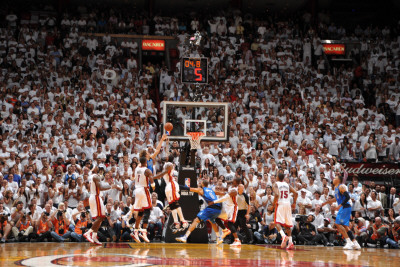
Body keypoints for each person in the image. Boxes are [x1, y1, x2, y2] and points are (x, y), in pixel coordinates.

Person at [129, 156, 171, 243]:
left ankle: (135, 231)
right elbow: (152, 182)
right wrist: (153, 186)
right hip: (144, 190)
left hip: (136, 190)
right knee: (148, 210)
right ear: (146, 162)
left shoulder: (136, 168)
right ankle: (144, 231)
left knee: (141, 211)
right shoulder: (147, 170)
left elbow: (132, 177)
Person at [322, 174, 361, 250]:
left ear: (339, 180)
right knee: (345, 226)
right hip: (344, 207)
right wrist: (326, 203)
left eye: (335, 178)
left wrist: (340, 205)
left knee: (337, 223)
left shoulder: (341, 186)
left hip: (345, 206)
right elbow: (336, 199)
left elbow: (347, 196)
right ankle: (355, 243)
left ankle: (348, 242)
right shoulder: (336, 189)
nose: (333, 179)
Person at [176, 179, 222, 243]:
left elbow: (187, 188)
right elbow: (219, 193)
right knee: (212, 221)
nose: (200, 183)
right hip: (218, 209)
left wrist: (176, 185)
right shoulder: (211, 190)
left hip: (212, 208)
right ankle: (219, 237)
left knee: (196, 220)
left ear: (202, 184)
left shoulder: (201, 189)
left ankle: (185, 236)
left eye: (201, 182)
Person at [153, 155, 188, 232]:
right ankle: (176, 223)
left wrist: (153, 177)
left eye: (167, 156)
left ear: (168, 158)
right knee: (172, 205)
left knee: (175, 203)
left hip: (171, 184)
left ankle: (183, 221)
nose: (165, 156)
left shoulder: (169, 164)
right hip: (168, 185)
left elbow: (162, 174)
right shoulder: (167, 163)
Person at [83, 166, 112, 245]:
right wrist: (111, 186)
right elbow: (101, 187)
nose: (99, 169)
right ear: (93, 168)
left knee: (102, 217)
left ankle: (94, 236)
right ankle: (89, 233)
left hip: (95, 197)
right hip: (95, 197)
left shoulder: (92, 176)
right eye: (98, 167)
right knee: (100, 217)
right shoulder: (95, 176)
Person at [273, 172, 298, 249]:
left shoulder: (275, 184)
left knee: (276, 222)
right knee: (287, 225)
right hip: (288, 204)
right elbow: (296, 193)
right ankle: (290, 242)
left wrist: (273, 204)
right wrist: (294, 203)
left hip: (280, 204)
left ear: (277, 177)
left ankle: (283, 236)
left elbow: (277, 195)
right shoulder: (287, 184)